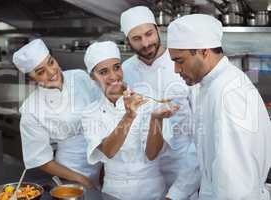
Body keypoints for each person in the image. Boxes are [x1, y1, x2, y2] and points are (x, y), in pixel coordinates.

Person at [167, 14, 271, 200]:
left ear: (204, 52)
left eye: (179, 61)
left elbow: (235, 183)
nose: (176, 69)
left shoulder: (229, 94)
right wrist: (175, 194)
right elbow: (200, 153)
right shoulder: (208, 87)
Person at [82, 41, 180, 200]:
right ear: (92, 76)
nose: (113, 76)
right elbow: (109, 151)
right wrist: (128, 116)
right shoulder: (90, 113)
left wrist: (156, 119)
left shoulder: (148, 99)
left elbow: (152, 154)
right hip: (114, 192)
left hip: (152, 190)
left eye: (116, 67)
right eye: (104, 72)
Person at [120, 6, 200, 200]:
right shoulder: (125, 70)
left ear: (158, 30)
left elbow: (201, 127)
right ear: (127, 41)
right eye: (137, 39)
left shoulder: (183, 63)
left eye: (149, 34)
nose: (146, 43)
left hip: (183, 163)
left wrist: (182, 188)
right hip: (143, 170)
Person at [12, 39, 101, 190]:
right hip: (71, 172)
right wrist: (82, 179)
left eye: (51, 62)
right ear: (32, 80)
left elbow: (103, 108)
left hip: (102, 161)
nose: (51, 72)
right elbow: (41, 159)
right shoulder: (31, 109)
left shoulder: (79, 77)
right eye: (41, 72)